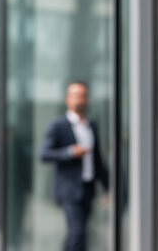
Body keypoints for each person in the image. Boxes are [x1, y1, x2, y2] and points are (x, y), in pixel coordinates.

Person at [41, 81, 109, 251]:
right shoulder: (58, 125)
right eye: (76, 95)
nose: (81, 99)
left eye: (84, 95)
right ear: (67, 99)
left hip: (88, 188)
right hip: (69, 190)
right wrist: (70, 152)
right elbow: (44, 153)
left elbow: (97, 160)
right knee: (77, 233)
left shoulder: (91, 125)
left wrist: (108, 187)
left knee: (78, 234)